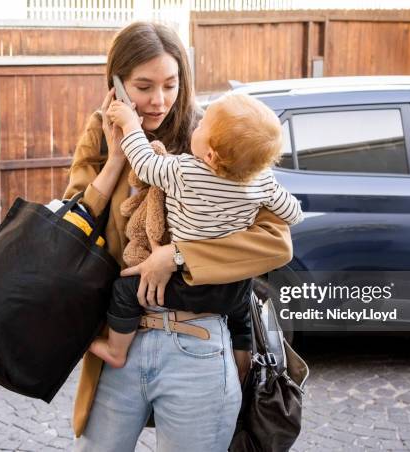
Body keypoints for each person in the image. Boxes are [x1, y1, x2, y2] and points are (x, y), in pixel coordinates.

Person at [64, 21, 293, 452]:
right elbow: (72, 225)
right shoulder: (100, 132)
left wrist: (178, 255)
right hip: (120, 341)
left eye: (170, 84)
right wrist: (116, 159)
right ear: (115, 82)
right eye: (143, 86)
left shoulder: (214, 137)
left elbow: (276, 241)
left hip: (198, 342)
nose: (158, 100)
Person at [88, 92, 303, 368]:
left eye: (202, 126)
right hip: (230, 286)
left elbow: (145, 163)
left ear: (211, 156)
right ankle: (242, 367)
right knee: (242, 316)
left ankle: (116, 352)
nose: (196, 125)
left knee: (124, 290)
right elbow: (293, 214)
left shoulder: (185, 172)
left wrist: (130, 124)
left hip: (186, 282)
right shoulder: (263, 184)